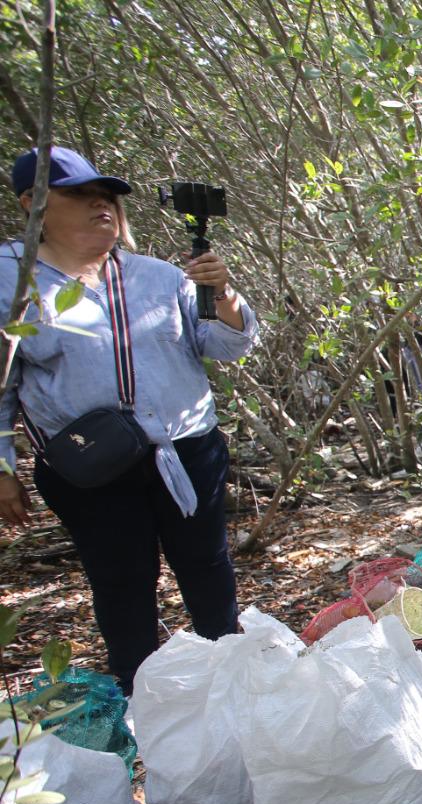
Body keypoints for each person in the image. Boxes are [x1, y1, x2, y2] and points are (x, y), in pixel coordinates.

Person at [0, 146, 258, 694]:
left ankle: (237, 679)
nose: (101, 207)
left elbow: (224, 344)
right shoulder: (10, 280)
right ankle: (141, 696)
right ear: (33, 203)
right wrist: (3, 467)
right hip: (90, 462)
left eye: (107, 198)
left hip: (185, 449)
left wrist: (225, 294)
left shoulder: (158, 276)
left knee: (206, 565)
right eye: (81, 196)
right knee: (121, 580)